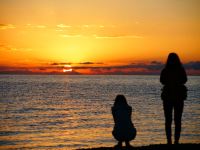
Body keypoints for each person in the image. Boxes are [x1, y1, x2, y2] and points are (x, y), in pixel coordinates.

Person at [160, 53, 187, 144]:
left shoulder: (165, 70)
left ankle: (170, 141)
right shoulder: (180, 70)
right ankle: (175, 141)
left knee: (169, 120)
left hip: (170, 96)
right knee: (177, 120)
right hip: (177, 96)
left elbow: (162, 81)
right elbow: (184, 80)